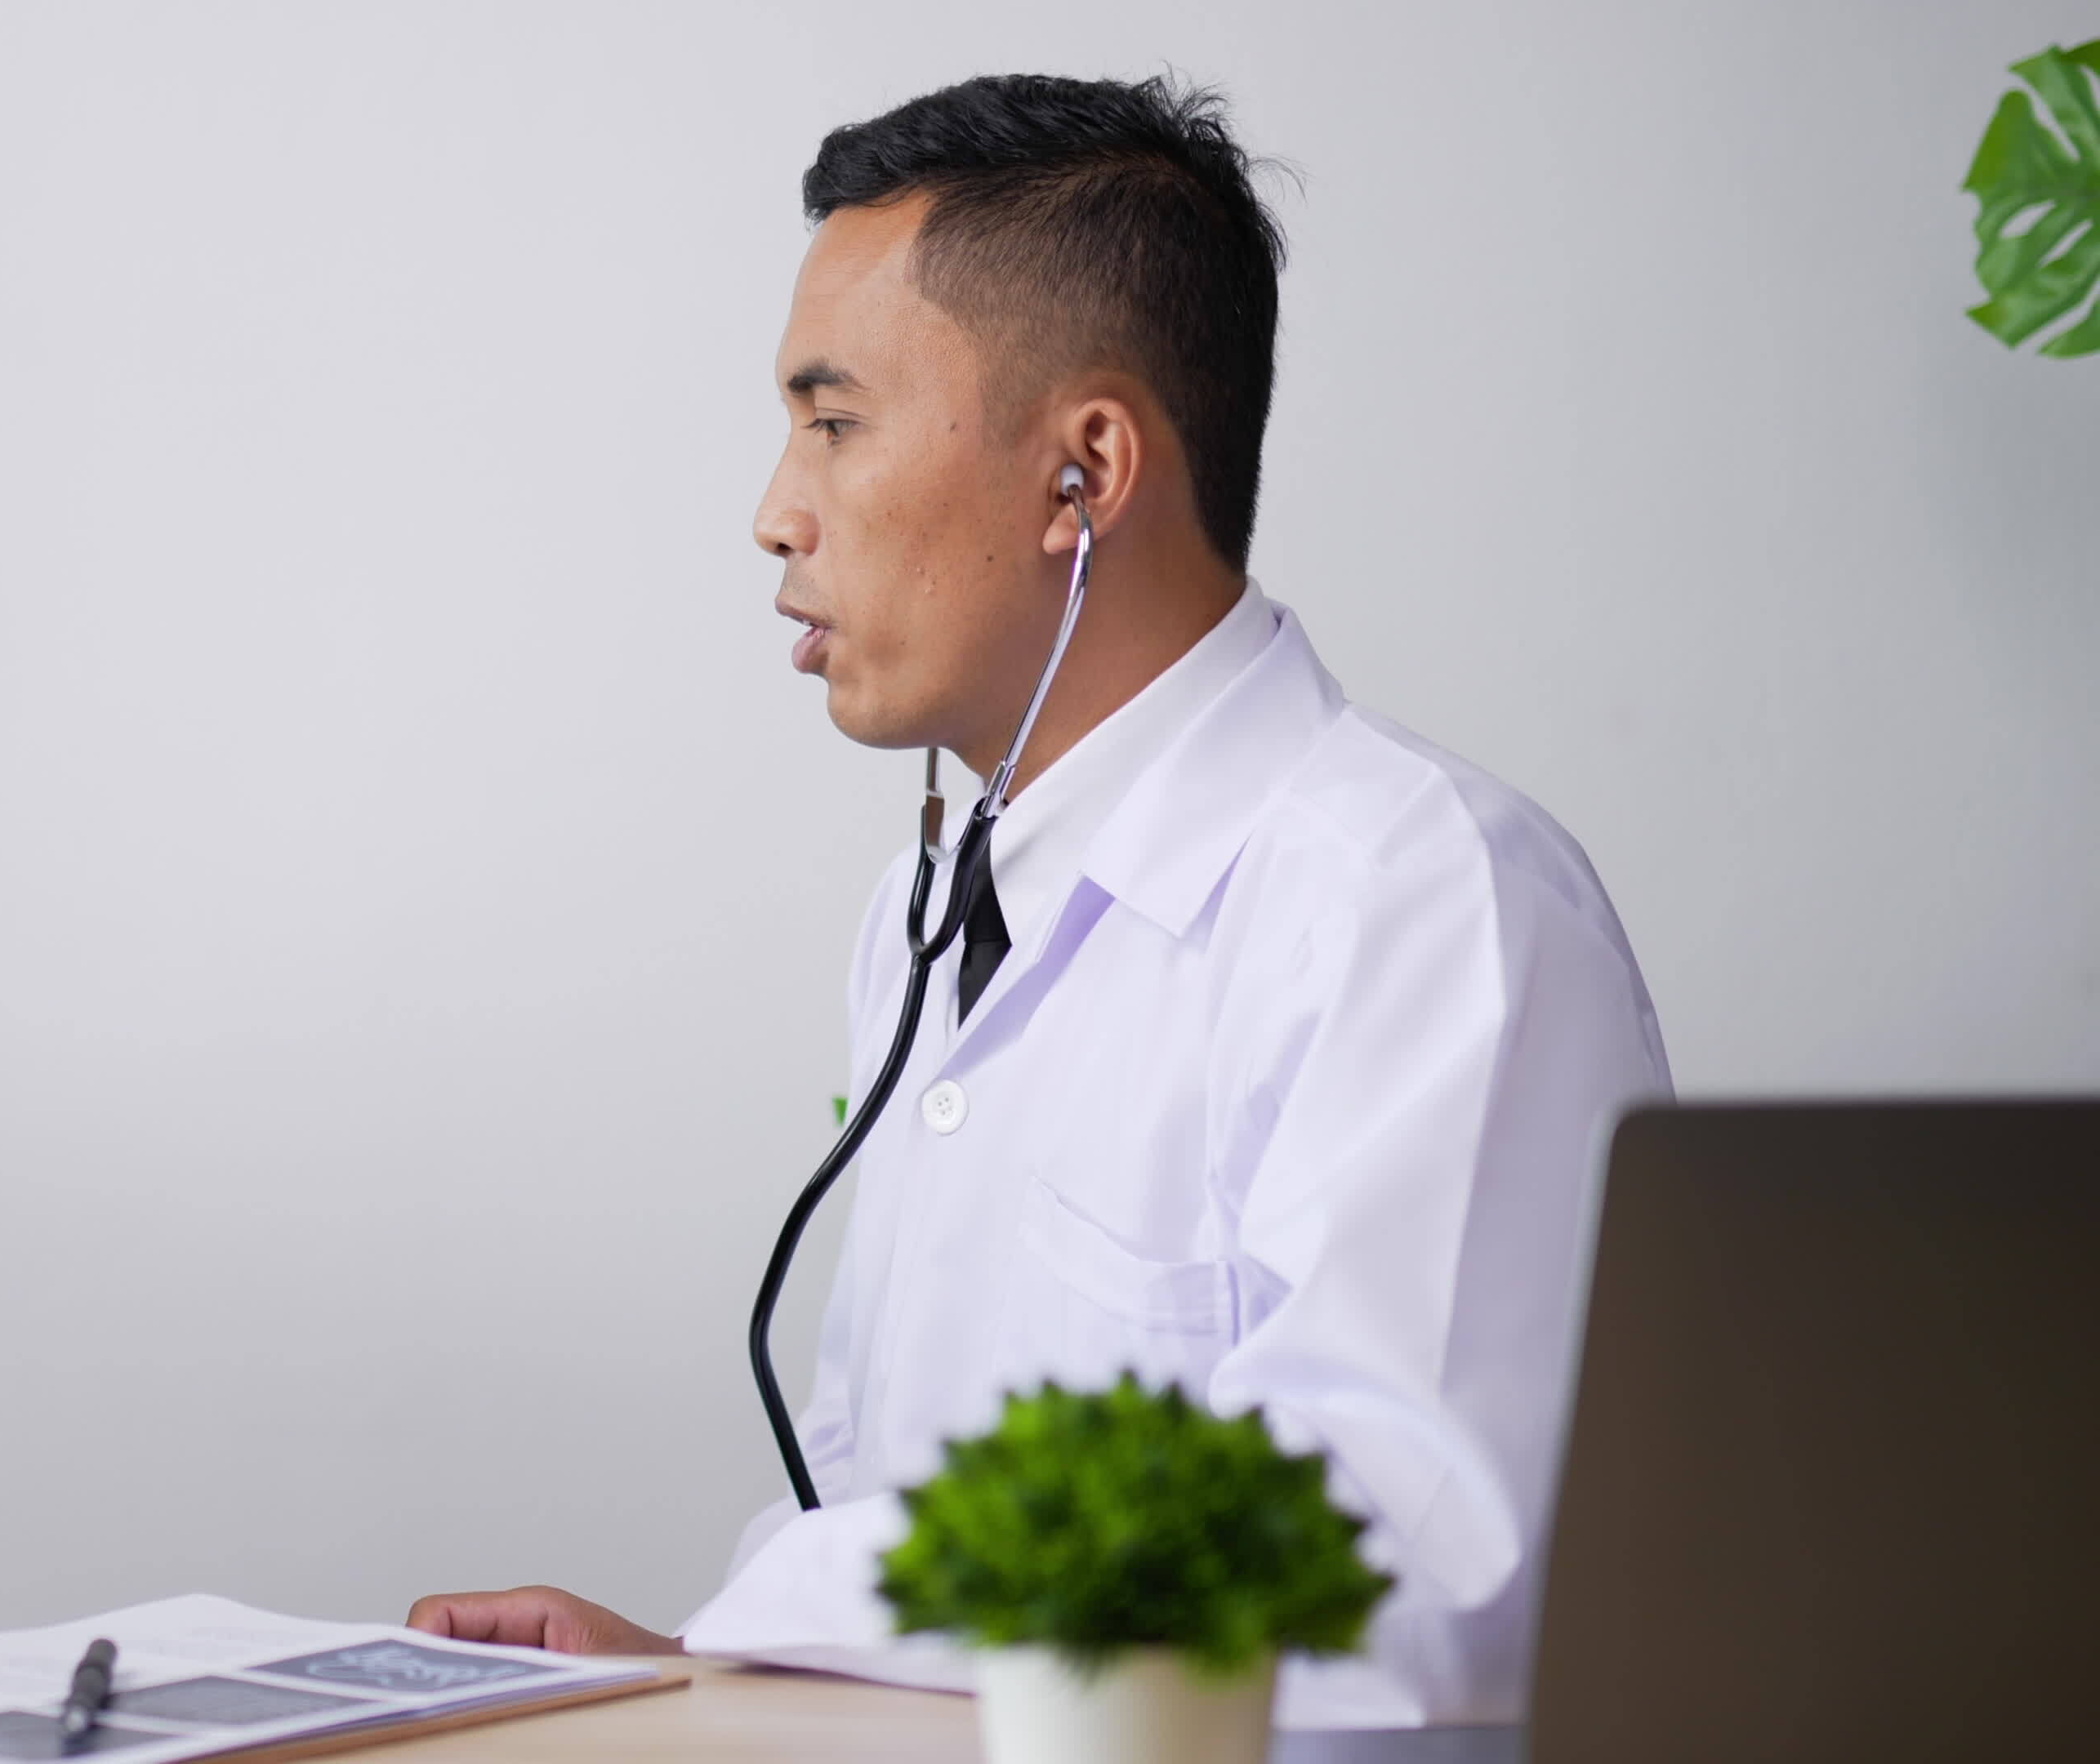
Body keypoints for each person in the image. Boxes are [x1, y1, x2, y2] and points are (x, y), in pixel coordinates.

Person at [408, 74, 1668, 1728]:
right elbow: (916, 1540)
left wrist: (773, 1606)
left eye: (831, 418)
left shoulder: (1421, 902)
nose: (774, 510)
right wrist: (695, 1669)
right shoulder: (929, 915)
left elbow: (1414, 1581)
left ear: (1082, 472)